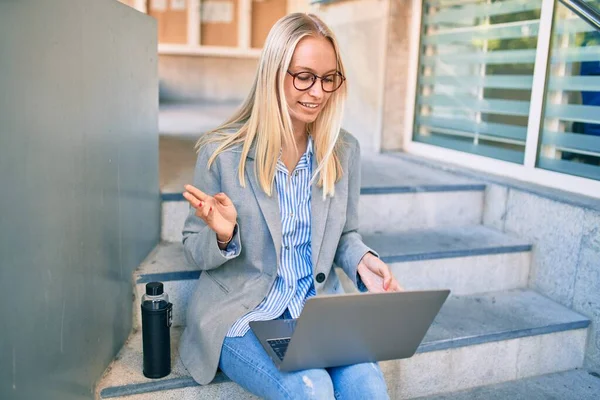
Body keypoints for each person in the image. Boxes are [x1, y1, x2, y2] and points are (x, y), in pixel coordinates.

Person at [179, 13, 403, 399]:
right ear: (274, 72)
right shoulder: (222, 154)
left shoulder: (343, 151)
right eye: (304, 76)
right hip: (244, 312)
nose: (317, 92)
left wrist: (363, 261)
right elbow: (190, 245)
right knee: (311, 389)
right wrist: (223, 234)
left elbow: (346, 234)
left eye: (328, 78)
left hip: (315, 310)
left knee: (368, 387)